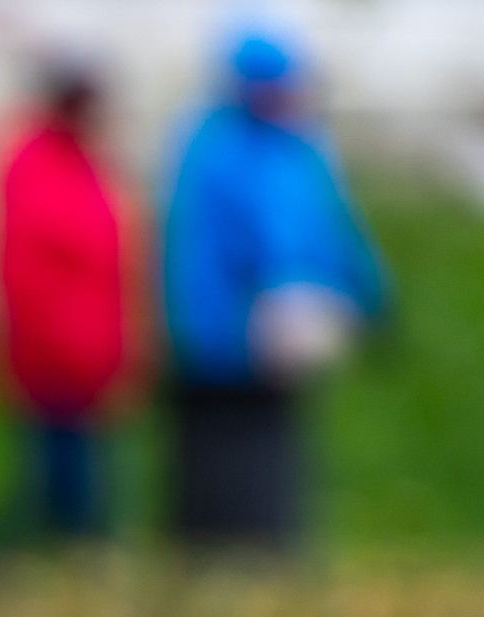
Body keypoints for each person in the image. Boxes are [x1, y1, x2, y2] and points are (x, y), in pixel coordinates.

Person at [162, 28, 384, 553]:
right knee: (216, 454)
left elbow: (336, 232)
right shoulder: (221, 149)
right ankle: (214, 553)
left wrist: (370, 295)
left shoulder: (295, 147)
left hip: (274, 337)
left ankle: (266, 550)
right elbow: (229, 247)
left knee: (269, 449)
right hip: (220, 337)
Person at [0, 52, 141, 548]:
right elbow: (31, 261)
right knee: (59, 461)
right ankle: (55, 544)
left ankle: (66, 542)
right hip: (51, 344)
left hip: (90, 341)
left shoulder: (87, 163)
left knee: (80, 459)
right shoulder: (36, 165)